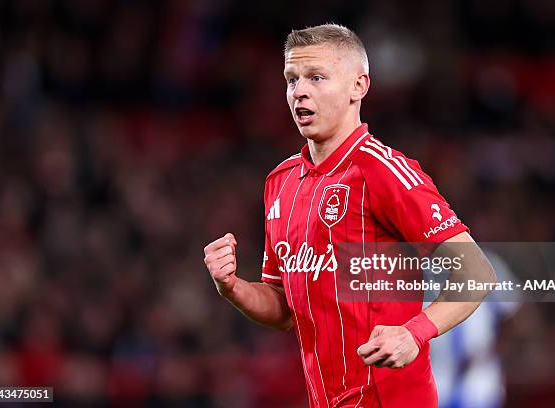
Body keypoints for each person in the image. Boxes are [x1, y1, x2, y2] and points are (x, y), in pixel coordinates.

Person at [204, 24, 495, 407]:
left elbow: (476, 272)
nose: (299, 91)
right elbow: (283, 308)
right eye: (291, 79)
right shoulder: (280, 182)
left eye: (316, 77)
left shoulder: (383, 171)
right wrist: (233, 288)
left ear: (358, 86)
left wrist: (415, 332)